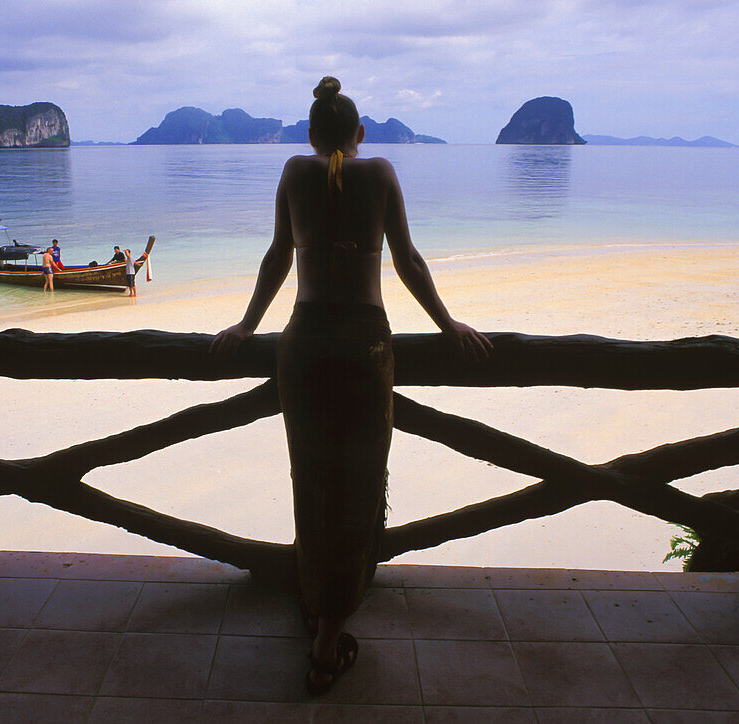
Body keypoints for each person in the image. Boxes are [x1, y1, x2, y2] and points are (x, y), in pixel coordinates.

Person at [210, 77, 491, 694]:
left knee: (311, 482)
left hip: (304, 346)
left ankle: (316, 606)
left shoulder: (292, 171)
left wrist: (246, 325)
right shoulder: (381, 172)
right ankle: (328, 639)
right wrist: (449, 326)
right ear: (358, 134)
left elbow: (277, 258)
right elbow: (408, 262)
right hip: (366, 348)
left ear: (311, 136)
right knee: (360, 487)